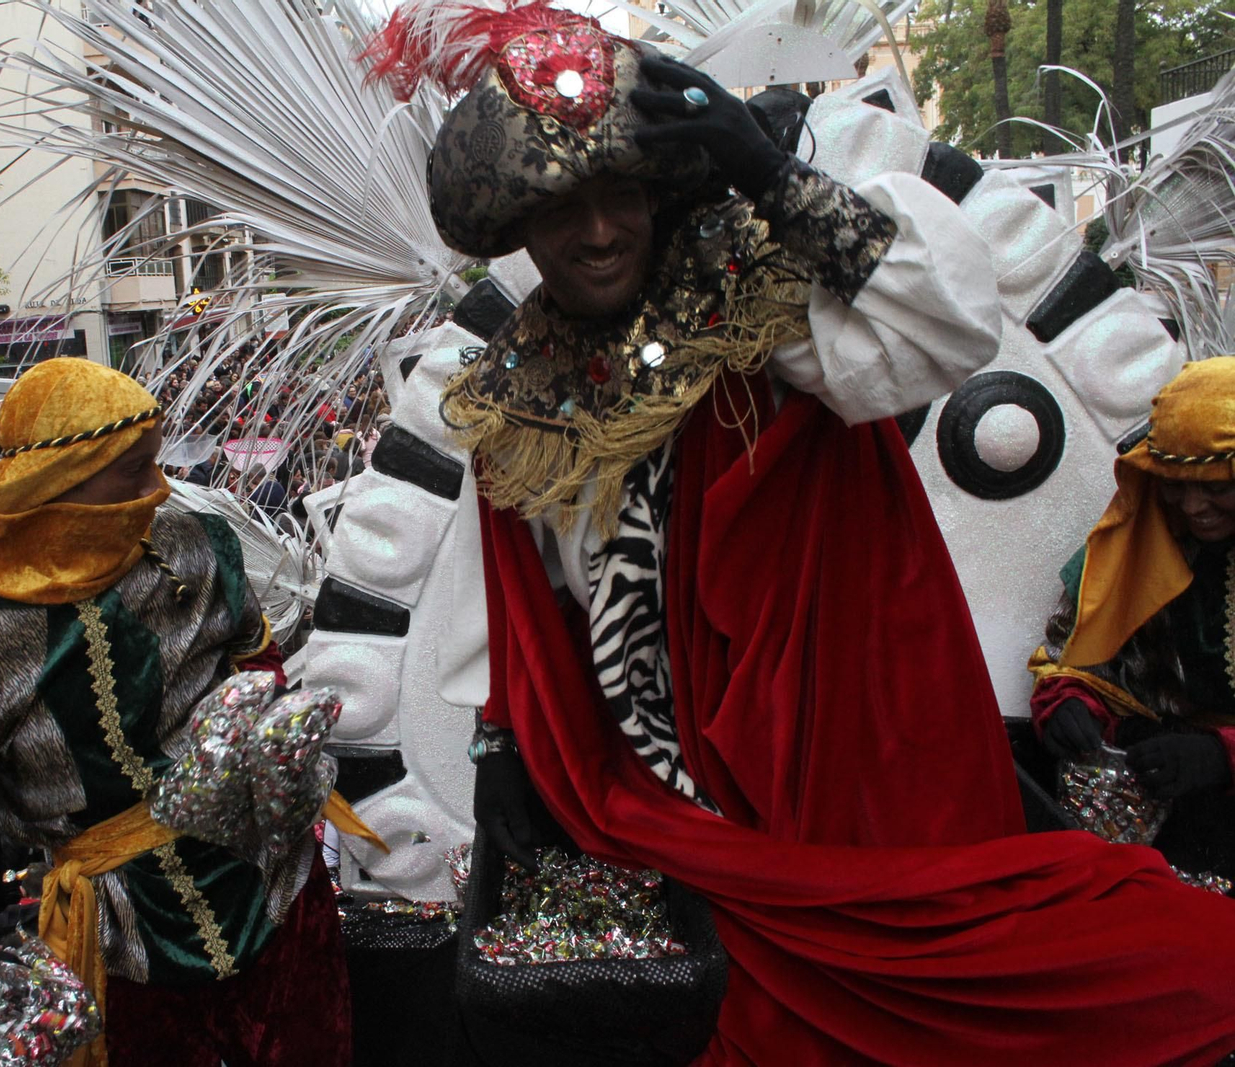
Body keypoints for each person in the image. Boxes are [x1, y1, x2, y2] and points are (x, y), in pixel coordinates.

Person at [366, 5, 1235, 1062]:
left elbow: (940, 331)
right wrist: (502, 745)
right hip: (666, 786)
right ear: (515, 226)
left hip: (849, 734)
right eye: (561, 210)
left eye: (619, 195)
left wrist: (773, 179)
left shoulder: (762, 289)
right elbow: (518, 588)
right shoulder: (513, 395)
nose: (597, 232)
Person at [0, 357, 366, 1065]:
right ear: (60, 481)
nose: (159, 487)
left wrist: (264, 736)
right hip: (124, 953)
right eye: (134, 470)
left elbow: (252, 654)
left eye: (157, 463)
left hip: (280, 897)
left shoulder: (192, 544)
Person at [1031, 357, 1235, 880]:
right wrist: (1069, 704)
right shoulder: (1144, 538)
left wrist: (1222, 754)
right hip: (1166, 800)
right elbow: (1077, 653)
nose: (1193, 506)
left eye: (1215, 486)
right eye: (1175, 484)